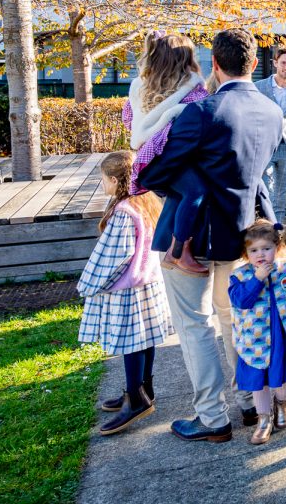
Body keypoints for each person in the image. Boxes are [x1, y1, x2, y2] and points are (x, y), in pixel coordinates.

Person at [138, 28, 284, 442]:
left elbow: (152, 172)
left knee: (195, 325)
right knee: (234, 318)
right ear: (254, 64)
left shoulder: (202, 112)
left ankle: (212, 417)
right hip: (242, 235)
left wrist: (189, 187)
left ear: (215, 64)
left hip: (192, 239)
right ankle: (249, 401)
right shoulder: (272, 111)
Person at [78, 151, 171, 435]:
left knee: (132, 342)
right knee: (145, 338)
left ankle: (136, 398)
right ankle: (143, 390)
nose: (102, 184)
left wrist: (90, 283)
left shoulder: (124, 212)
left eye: (103, 179)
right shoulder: (146, 201)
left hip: (129, 287)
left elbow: (115, 256)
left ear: (116, 180)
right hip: (149, 282)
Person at [123, 32, 211, 277]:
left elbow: (128, 119)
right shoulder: (192, 88)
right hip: (168, 157)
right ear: (184, 59)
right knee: (196, 191)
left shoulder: (139, 86)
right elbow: (199, 120)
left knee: (182, 194)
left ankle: (176, 248)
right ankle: (179, 251)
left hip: (145, 160)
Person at [227, 220, 286, 445]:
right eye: (254, 250)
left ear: (278, 247)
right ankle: (263, 419)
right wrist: (257, 279)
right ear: (246, 253)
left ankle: (282, 402)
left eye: (266, 248)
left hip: (284, 337)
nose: (261, 254)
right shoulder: (239, 276)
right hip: (256, 342)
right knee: (261, 381)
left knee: (285, 375)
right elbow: (241, 301)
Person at [256, 45, 286, 224]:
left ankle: (277, 234)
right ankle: (267, 230)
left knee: (281, 198)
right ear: (275, 63)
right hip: (267, 147)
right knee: (268, 194)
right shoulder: (259, 87)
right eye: (283, 63)